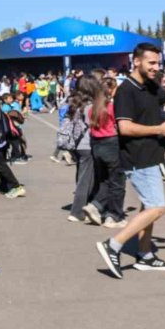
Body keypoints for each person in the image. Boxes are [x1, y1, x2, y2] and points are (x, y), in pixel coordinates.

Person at [97, 43, 165, 278]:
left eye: (158, 62)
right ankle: (113, 244)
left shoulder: (152, 86)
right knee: (157, 207)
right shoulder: (126, 90)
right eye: (151, 63)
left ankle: (145, 256)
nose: (156, 67)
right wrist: (159, 129)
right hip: (138, 158)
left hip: (153, 156)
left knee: (148, 207)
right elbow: (124, 128)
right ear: (136, 62)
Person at [81, 77, 127, 228]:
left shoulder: (93, 108)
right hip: (111, 143)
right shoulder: (112, 107)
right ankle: (114, 216)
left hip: (96, 145)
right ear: (112, 90)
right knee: (117, 182)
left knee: (104, 180)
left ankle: (96, 205)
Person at [66, 76, 98, 223]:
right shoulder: (90, 106)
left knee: (82, 177)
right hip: (87, 145)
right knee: (85, 180)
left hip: (76, 145)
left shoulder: (75, 103)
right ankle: (77, 211)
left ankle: (86, 205)